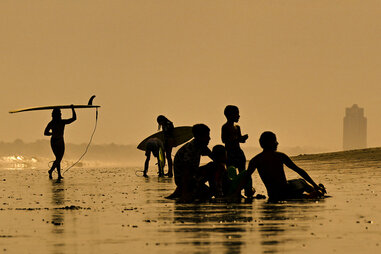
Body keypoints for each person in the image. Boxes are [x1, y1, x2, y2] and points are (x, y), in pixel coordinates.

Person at [246, 131, 326, 201]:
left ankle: (314, 192)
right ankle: (318, 191)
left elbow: (246, 177)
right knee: (302, 182)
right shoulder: (280, 156)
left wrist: (248, 190)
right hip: (286, 191)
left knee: (298, 191)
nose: (277, 143)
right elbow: (299, 170)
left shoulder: (255, 160)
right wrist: (314, 185)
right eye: (275, 141)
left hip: (273, 195)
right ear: (269, 142)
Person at [166, 123, 212, 201]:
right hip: (185, 181)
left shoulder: (201, 146)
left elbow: (215, 157)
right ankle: (182, 191)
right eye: (206, 136)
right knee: (212, 167)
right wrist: (185, 194)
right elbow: (186, 171)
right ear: (198, 137)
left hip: (192, 177)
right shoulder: (190, 148)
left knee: (213, 167)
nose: (209, 138)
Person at [221, 105, 254, 198]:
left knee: (243, 172)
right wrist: (237, 139)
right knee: (231, 173)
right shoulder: (225, 127)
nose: (238, 116)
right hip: (230, 153)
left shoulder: (237, 127)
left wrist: (242, 138)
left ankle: (248, 191)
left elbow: (240, 140)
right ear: (229, 115)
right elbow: (224, 140)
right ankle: (234, 192)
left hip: (238, 152)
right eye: (236, 114)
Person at [44, 106, 76, 180]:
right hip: (54, 141)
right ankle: (51, 171)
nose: (60, 115)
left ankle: (58, 174)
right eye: (59, 114)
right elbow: (45, 133)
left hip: (61, 141)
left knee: (58, 158)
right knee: (58, 158)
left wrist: (73, 109)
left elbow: (74, 118)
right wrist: (52, 133)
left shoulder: (62, 122)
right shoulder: (52, 123)